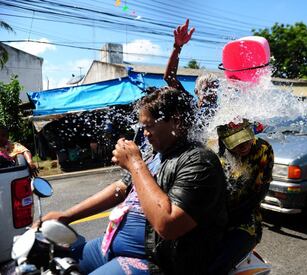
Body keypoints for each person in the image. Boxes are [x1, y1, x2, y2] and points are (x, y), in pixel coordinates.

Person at [40, 87, 228, 274]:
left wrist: (135, 163)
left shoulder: (199, 161)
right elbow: (120, 188)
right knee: (53, 264)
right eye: (143, 127)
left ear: (176, 122)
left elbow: (168, 225)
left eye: (150, 126)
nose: (145, 133)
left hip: (152, 261)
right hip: (109, 245)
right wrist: (67, 216)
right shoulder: (155, 154)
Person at [209, 119, 274, 274]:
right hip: (214, 220)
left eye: (246, 138)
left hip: (246, 220)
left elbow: (261, 190)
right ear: (223, 142)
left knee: (215, 267)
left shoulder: (262, 149)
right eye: (236, 142)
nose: (244, 146)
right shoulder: (213, 154)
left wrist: (232, 218)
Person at [163, 19, 219, 122]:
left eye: (215, 90)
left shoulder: (223, 115)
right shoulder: (190, 107)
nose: (211, 94)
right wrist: (178, 46)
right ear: (196, 92)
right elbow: (169, 78)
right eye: (206, 90)